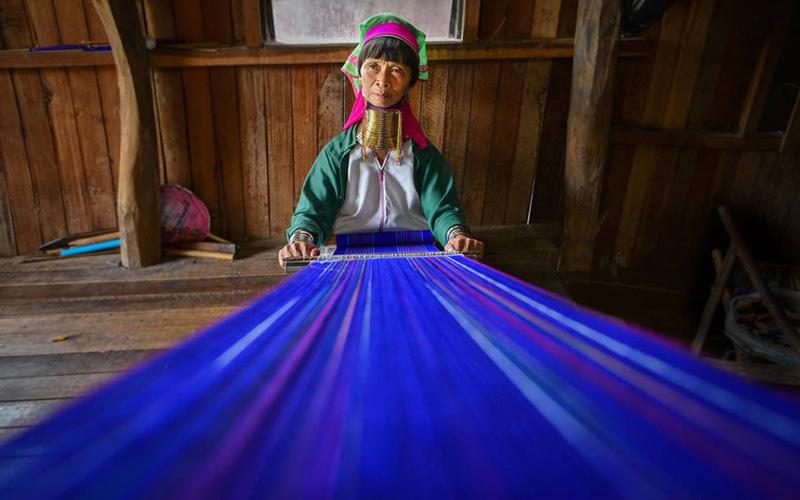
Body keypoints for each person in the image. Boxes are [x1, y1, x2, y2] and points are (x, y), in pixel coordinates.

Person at [279, 13, 484, 267]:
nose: (382, 82)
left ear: (410, 83)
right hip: (345, 254)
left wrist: (457, 236)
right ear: (359, 73)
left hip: (415, 254)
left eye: (396, 70)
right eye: (373, 66)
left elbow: (443, 209)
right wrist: (301, 240)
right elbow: (313, 211)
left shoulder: (422, 155)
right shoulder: (337, 154)